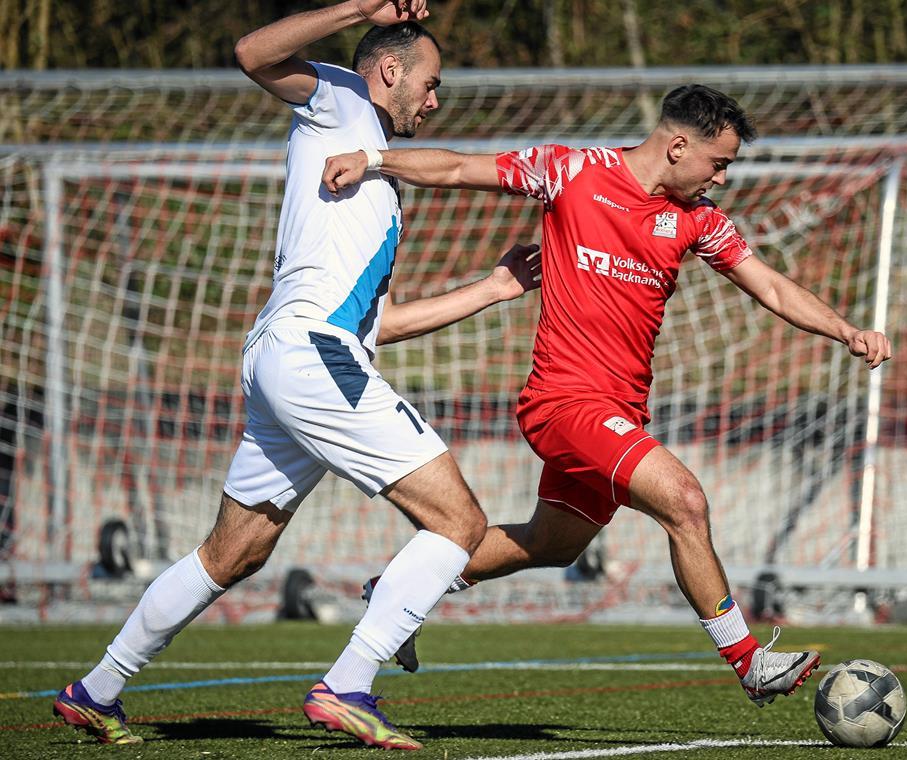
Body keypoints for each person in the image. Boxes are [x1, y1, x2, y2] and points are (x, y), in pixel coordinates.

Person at [52, 1, 541, 749]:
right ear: (388, 70)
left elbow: (385, 323)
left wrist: (492, 289)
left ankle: (97, 690)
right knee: (460, 523)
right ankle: (348, 684)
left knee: (235, 552)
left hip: (294, 355)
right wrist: (357, 8)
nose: (436, 100)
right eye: (431, 82)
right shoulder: (342, 99)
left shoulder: (375, 167)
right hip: (311, 355)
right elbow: (251, 52)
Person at [324, 84, 893, 709]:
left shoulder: (698, 220)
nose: (723, 180)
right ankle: (749, 660)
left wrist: (846, 329)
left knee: (551, 544)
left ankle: (395, 592)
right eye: (719, 163)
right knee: (685, 501)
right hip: (564, 404)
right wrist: (375, 160)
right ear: (678, 146)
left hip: (618, 412)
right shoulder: (570, 171)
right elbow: (460, 167)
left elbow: (774, 289)